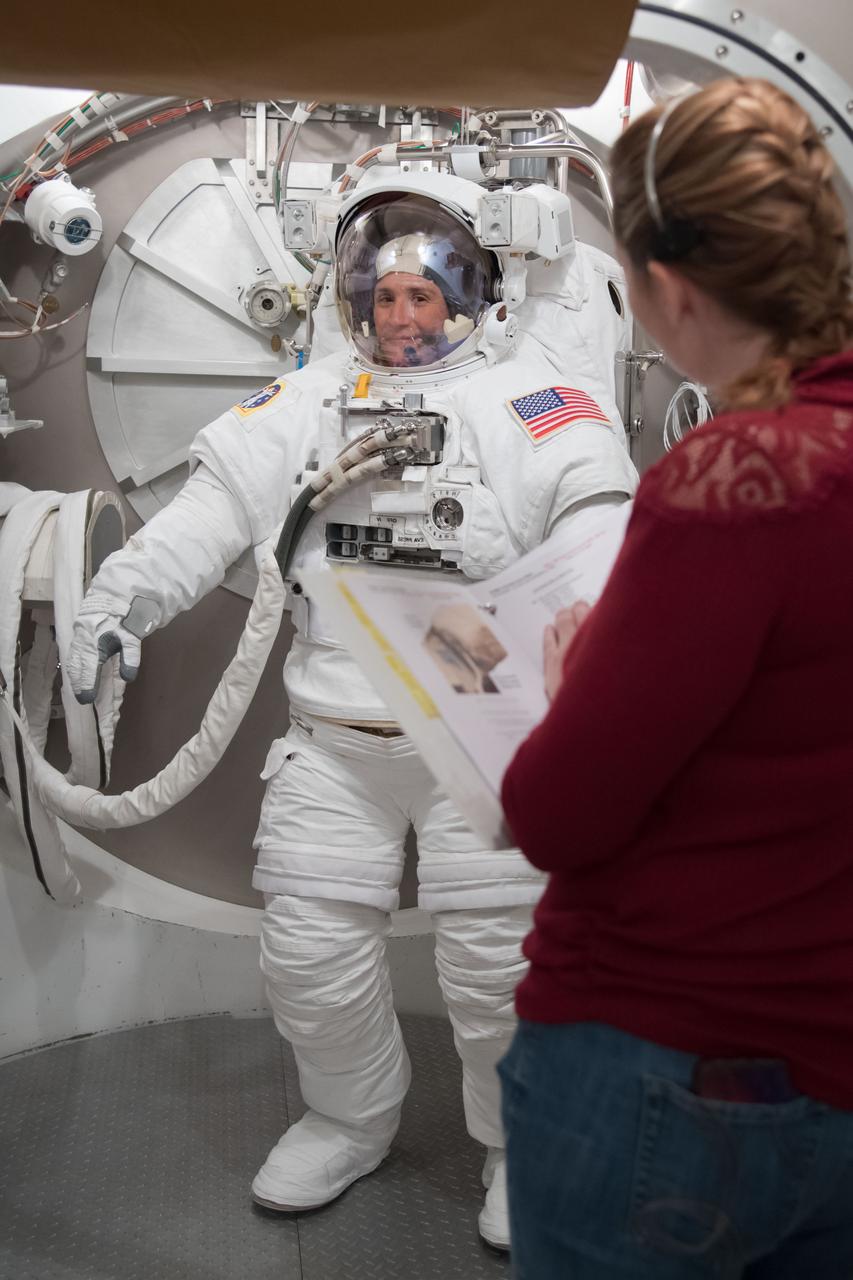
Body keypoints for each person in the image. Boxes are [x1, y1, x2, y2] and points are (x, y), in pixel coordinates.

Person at [66, 174, 638, 1248]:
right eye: (382, 298)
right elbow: (200, 519)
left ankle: (520, 1147)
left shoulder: (531, 398)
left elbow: (598, 524)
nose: (401, 318)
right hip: (334, 738)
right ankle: (347, 1118)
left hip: (479, 725)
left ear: (468, 295)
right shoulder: (308, 402)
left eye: (421, 297)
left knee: (497, 967)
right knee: (308, 956)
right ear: (351, 301)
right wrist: (115, 608)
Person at [498, 76, 853, 1278]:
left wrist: (579, 675)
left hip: (673, 1062)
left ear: (671, 289)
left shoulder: (734, 476)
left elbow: (556, 813)